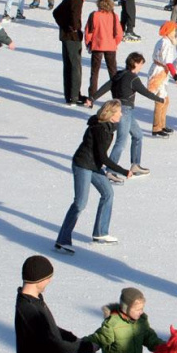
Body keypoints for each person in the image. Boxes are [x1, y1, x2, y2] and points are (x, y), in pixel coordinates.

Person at [55, 100, 133, 253]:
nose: (121, 114)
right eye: (118, 112)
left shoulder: (109, 127)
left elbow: (100, 158)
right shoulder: (100, 130)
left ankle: (100, 233)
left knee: (108, 193)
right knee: (80, 203)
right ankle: (62, 240)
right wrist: (123, 171)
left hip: (94, 166)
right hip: (83, 164)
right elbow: (103, 158)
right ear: (111, 115)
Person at [14, 255, 97, 353]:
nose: (50, 280)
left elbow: (46, 329)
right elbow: (55, 343)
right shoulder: (30, 309)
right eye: (48, 277)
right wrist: (86, 347)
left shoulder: (30, 301)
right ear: (39, 279)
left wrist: (68, 335)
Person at [92, 52, 165, 180]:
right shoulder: (133, 78)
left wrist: (93, 97)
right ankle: (110, 170)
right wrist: (160, 99)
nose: (141, 67)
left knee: (138, 135)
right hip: (124, 111)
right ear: (135, 63)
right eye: (141, 64)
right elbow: (145, 92)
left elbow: (106, 87)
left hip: (122, 109)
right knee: (121, 142)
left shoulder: (119, 74)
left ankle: (135, 165)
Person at [87, 287, 165, 353]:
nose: (141, 312)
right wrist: (85, 344)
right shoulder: (113, 324)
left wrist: (165, 347)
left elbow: (150, 338)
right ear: (126, 308)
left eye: (142, 308)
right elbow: (99, 338)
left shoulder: (140, 322)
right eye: (137, 309)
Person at [53, 0, 94, 106]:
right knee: (75, 67)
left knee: (68, 66)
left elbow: (56, 13)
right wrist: (74, 28)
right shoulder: (77, 0)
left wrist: (64, 25)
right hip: (73, 38)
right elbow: (75, 17)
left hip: (65, 36)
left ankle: (69, 95)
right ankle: (75, 96)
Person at [147, 22, 177, 138]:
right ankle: (157, 128)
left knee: (165, 100)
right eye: (173, 31)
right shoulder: (166, 44)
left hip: (160, 70)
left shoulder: (162, 42)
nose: (175, 33)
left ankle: (161, 125)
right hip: (160, 72)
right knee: (161, 100)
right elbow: (168, 63)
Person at [85, 0, 123, 98]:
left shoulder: (94, 15)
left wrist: (88, 43)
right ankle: (116, 95)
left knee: (94, 73)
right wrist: (115, 43)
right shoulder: (114, 16)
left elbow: (88, 32)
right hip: (110, 46)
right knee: (113, 72)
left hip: (97, 46)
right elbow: (119, 34)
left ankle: (92, 96)